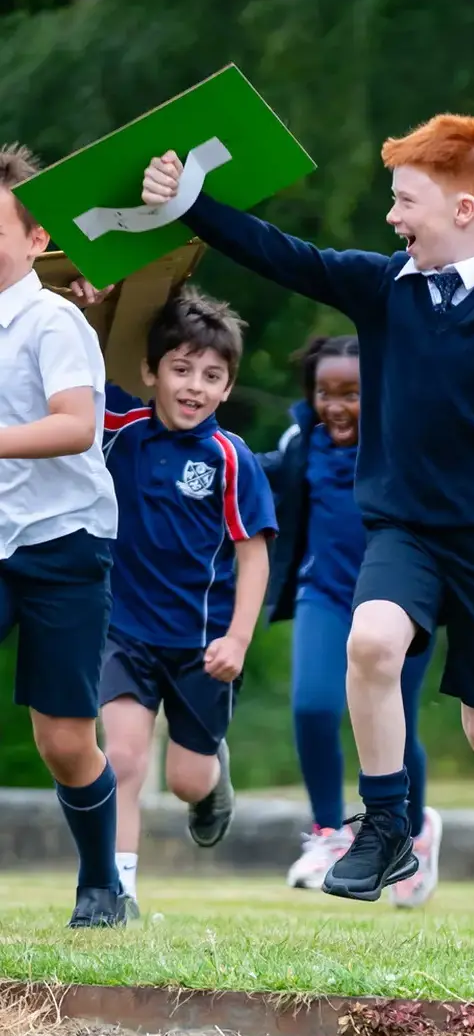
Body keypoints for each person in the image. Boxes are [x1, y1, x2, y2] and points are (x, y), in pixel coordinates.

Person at [143, 115, 474, 945]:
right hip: (405, 530)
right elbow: (284, 255)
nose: (393, 217)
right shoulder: (383, 288)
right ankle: (387, 824)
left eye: (406, 201)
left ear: (464, 210)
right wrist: (193, 205)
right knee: (370, 643)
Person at [98, 289, 277, 917]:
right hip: (123, 630)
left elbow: (253, 555)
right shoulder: (120, 428)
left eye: (212, 375)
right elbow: (82, 362)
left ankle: (211, 780)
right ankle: (115, 890)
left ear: (228, 388)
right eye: (181, 369)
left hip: (203, 645)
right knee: (120, 758)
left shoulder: (231, 459)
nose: (194, 386)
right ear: (151, 373)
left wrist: (238, 639)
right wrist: (101, 307)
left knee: (184, 781)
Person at [262, 334, 439, 903]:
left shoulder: (404, 442)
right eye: (324, 392)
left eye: (352, 393)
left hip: (401, 603)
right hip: (326, 594)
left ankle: (412, 835)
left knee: (398, 723)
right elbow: (250, 474)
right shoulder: (301, 443)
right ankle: (328, 833)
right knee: (314, 705)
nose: (335, 406)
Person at [0, 144, 126, 927]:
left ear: (35, 237)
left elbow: (77, 425)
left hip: (62, 543)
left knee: (63, 741)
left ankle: (101, 881)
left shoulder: (53, 319)